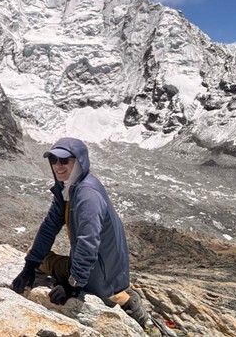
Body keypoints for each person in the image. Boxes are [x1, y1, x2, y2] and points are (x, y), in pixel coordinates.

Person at [11, 137, 148, 328]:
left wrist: (71, 285)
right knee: (37, 257)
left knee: (48, 263)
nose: (58, 166)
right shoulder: (68, 187)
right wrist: (29, 266)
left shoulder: (86, 194)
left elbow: (88, 242)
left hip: (100, 269)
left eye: (64, 160)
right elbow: (49, 226)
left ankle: (121, 298)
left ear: (79, 161)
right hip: (105, 265)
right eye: (53, 160)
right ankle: (117, 294)